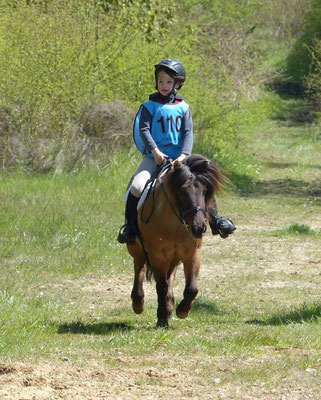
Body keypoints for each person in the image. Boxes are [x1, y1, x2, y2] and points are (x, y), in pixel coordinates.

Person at [117, 58, 235, 244]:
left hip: (181, 159)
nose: (164, 85)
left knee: (202, 183)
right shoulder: (149, 106)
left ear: (177, 84)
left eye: (169, 82)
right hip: (154, 158)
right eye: (161, 81)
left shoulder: (183, 107)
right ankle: (130, 227)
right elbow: (144, 130)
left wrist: (183, 156)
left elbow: (188, 132)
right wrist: (155, 151)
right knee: (137, 186)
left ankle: (216, 221)